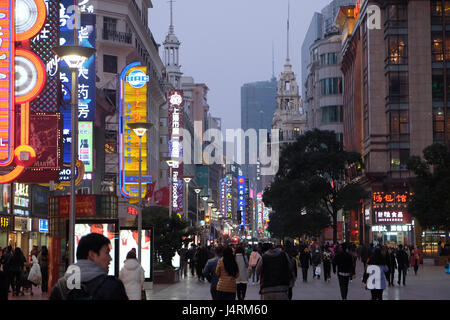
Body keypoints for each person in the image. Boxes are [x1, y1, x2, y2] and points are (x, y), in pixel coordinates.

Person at [50, 233, 128, 300]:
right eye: (107, 252)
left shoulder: (60, 287)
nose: (110, 258)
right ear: (92, 255)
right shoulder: (112, 286)